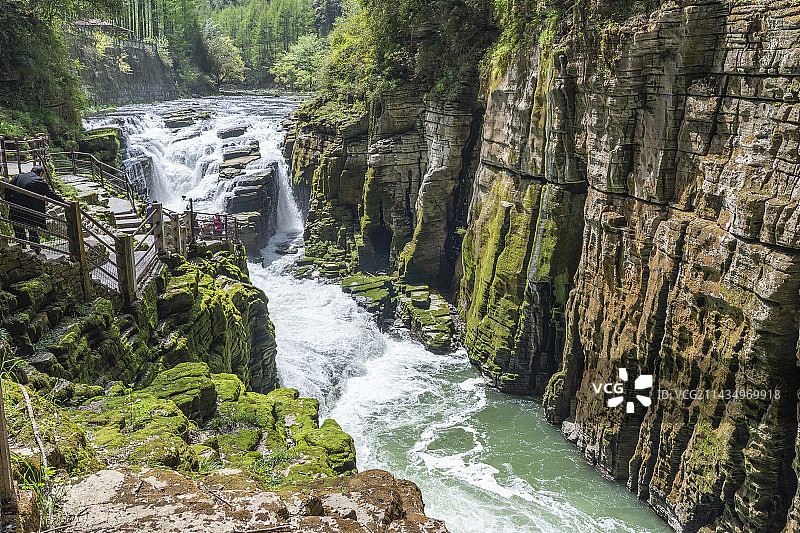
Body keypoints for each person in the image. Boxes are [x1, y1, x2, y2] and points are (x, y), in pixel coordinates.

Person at [5, 165, 65, 254]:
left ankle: (21, 248)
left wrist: (8, 201)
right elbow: (50, 194)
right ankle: (35, 249)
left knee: (18, 228)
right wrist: (63, 201)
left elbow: (7, 187)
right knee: (32, 229)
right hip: (31, 211)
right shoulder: (39, 181)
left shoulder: (18, 177)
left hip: (16, 208)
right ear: (40, 173)